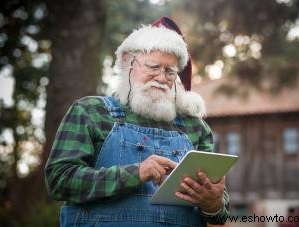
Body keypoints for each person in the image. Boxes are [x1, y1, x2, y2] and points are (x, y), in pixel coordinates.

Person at [45, 16, 230, 227]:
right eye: (153, 67)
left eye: (170, 71)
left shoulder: (195, 127)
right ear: (127, 63)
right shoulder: (91, 112)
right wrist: (136, 173)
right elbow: (59, 180)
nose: (161, 78)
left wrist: (214, 205)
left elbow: (219, 216)